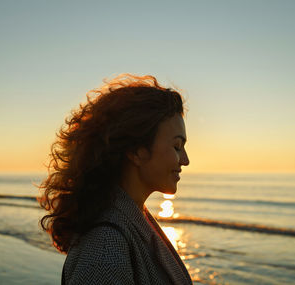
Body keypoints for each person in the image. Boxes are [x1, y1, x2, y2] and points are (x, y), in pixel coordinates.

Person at [38, 74, 192, 284]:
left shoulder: (134, 218)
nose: (185, 160)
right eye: (176, 146)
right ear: (136, 150)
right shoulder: (105, 244)